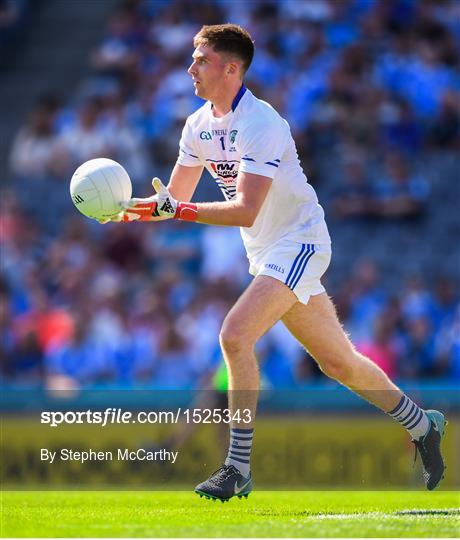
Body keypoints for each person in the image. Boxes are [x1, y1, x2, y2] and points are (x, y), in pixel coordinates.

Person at [104, 24, 446, 501]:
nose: (190, 68)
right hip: (266, 252)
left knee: (234, 335)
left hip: (300, 240)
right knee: (339, 363)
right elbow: (174, 200)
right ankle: (422, 424)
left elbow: (243, 209)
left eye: (201, 60)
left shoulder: (263, 124)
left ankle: (237, 467)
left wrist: (175, 209)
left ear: (231, 68)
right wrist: (125, 208)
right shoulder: (197, 125)